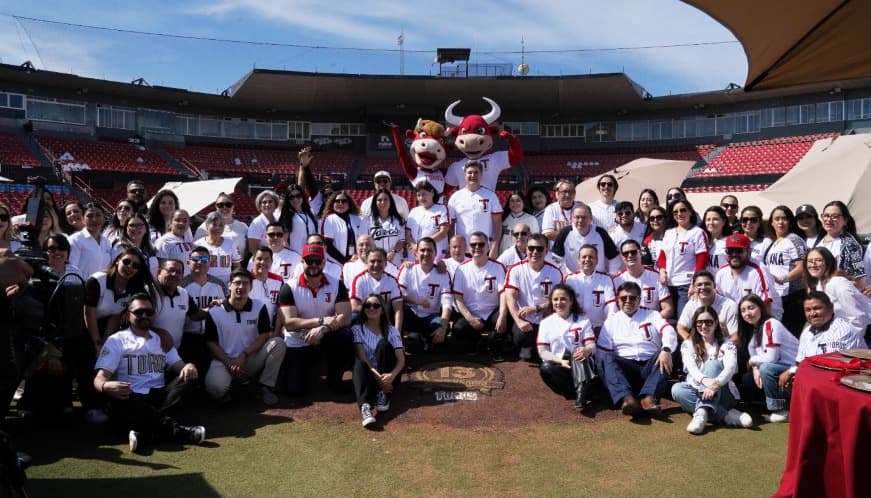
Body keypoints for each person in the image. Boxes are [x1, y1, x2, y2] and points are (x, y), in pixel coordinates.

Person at [93, 293, 205, 453]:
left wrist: (189, 367)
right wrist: (105, 386)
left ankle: (146, 434)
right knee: (120, 402)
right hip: (130, 396)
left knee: (190, 378)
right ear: (128, 315)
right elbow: (99, 379)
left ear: (155, 314)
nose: (144, 315)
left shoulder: (162, 339)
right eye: (138, 312)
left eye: (149, 312)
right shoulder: (116, 340)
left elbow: (180, 366)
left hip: (159, 396)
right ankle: (179, 432)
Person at [762, 291, 867, 423]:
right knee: (770, 371)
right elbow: (800, 361)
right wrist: (793, 372)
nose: (812, 313)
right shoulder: (807, 331)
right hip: (817, 376)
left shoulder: (842, 329)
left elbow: (831, 366)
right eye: (808, 310)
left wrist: (793, 372)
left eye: (817, 308)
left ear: (830, 308)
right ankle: (785, 410)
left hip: (844, 381)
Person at [84, 248, 158, 423]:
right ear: (117, 261)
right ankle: (90, 407)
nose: (130, 267)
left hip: (107, 325)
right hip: (85, 325)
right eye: (126, 262)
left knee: (106, 358)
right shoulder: (97, 280)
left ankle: (105, 405)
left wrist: (105, 343)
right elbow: (88, 313)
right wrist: (96, 343)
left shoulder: (133, 287)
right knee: (87, 360)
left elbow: (115, 316)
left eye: (136, 265)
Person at [278, 243, 353, 395]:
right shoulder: (289, 287)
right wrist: (320, 321)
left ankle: (334, 380)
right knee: (294, 391)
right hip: (299, 339)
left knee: (345, 336)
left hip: (326, 334)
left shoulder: (336, 284)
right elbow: (289, 323)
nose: (313, 265)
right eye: (309, 261)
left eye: (317, 261)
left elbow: (345, 318)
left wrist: (323, 328)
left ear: (324, 263)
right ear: (302, 262)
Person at [204, 269, 286, 405]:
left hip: (249, 358)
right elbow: (211, 342)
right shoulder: (215, 311)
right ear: (229, 285)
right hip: (224, 361)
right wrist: (228, 362)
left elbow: (264, 335)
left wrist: (243, 356)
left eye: (245, 283)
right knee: (215, 390)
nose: (241, 287)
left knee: (278, 343)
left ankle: (265, 386)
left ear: (251, 287)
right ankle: (230, 387)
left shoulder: (259, 306)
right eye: (237, 283)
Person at [597, 281, 677, 417]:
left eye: (632, 298)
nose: (628, 301)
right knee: (607, 357)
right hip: (626, 370)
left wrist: (666, 350)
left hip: (650, 366)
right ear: (618, 300)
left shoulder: (653, 315)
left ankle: (649, 399)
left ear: (639, 299)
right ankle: (628, 400)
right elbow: (602, 355)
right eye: (623, 298)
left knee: (664, 354)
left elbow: (668, 330)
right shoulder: (611, 321)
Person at [671, 306, 753, 434]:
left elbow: (730, 368)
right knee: (677, 389)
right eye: (699, 322)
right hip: (699, 389)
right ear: (695, 324)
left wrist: (715, 385)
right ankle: (725, 415)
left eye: (708, 322)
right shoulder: (688, 344)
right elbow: (691, 368)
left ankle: (701, 413)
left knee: (713, 364)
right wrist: (705, 381)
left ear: (716, 324)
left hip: (724, 393)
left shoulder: (727, 344)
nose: (704, 326)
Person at [536, 284, 596, 411]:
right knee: (545, 367)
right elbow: (542, 352)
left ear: (571, 301)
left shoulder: (583, 320)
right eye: (555, 299)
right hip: (560, 363)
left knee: (577, 353)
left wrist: (587, 350)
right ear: (551, 302)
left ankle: (581, 396)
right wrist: (560, 361)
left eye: (563, 299)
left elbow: (592, 345)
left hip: (581, 364)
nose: (559, 302)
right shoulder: (546, 323)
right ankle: (576, 392)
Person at [504, 233, 564, 361]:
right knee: (521, 337)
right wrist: (519, 321)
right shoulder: (515, 269)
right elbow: (510, 297)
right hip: (524, 317)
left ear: (546, 251)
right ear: (526, 249)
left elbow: (559, 300)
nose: (535, 252)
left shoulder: (555, 271)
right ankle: (526, 347)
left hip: (545, 315)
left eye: (540, 249)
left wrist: (536, 308)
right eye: (531, 248)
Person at [352, 294, 405, 428]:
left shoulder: (392, 330)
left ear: (382, 309)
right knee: (358, 363)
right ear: (363, 309)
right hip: (371, 375)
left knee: (383, 344)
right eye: (367, 305)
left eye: (376, 305)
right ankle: (365, 408)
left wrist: (391, 376)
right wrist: (378, 379)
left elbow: (401, 359)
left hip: (389, 376)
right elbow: (363, 358)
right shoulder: (357, 329)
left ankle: (384, 394)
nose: (371, 308)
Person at [452, 232, 508, 354]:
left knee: (506, 320)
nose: (477, 247)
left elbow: (504, 294)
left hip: (492, 312)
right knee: (458, 330)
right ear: (469, 247)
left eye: (481, 244)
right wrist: (470, 319)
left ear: (487, 247)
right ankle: (476, 341)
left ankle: (495, 342)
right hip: (472, 314)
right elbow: (458, 298)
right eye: (473, 245)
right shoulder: (461, 269)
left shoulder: (498, 267)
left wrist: (502, 316)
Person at [737, 294, 799, 403]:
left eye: (751, 308)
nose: (747, 313)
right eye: (743, 310)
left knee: (766, 369)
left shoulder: (771, 324)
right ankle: (765, 405)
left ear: (761, 308)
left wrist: (752, 361)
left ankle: (778, 408)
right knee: (748, 379)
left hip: (793, 367)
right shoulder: (754, 332)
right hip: (776, 368)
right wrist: (755, 369)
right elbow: (758, 360)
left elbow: (771, 358)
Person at [397, 237, 452, 350]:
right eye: (422, 250)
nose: (426, 253)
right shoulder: (408, 269)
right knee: (394, 308)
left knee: (441, 335)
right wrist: (417, 301)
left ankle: (424, 337)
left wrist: (443, 325)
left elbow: (447, 302)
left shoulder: (443, 274)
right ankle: (397, 342)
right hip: (411, 314)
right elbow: (398, 295)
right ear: (416, 253)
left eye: (429, 250)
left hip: (431, 316)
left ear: (435, 253)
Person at [181, 247, 228, 377]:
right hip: (188, 335)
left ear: (210, 262)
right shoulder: (181, 284)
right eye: (195, 259)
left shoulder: (219, 284)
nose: (200, 262)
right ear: (188, 262)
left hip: (215, 336)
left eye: (204, 259)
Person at [803, 247, 871, 336]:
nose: (813, 264)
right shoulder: (820, 284)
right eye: (810, 261)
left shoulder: (837, 283)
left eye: (818, 260)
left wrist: (851, 343)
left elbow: (858, 317)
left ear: (828, 263)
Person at [658, 198, 708, 319]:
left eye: (683, 210)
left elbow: (702, 259)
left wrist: (695, 283)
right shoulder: (668, 233)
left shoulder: (697, 233)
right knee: (668, 320)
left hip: (686, 284)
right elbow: (662, 256)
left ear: (690, 212)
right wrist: (662, 271)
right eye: (675, 212)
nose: (679, 214)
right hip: (667, 284)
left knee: (683, 320)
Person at [715, 233, 782, 320]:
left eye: (739, 250)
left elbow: (766, 304)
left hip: (766, 316)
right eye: (730, 251)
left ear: (749, 252)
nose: (734, 254)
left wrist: (762, 329)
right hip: (739, 317)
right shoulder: (721, 273)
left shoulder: (758, 270)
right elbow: (718, 301)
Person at [764, 206, 808, 335]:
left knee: (790, 335)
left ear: (790, 221)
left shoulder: (794, 239)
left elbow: (802, 266)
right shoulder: (774, 243)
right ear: (771, 222)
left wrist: (782, 279)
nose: (780, 222)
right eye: (777, 219)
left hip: (793, 296)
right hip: (778, 296)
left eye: (784, 219)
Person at [447, 161, 503, 259]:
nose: (473, 175)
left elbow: (497, 224)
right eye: (470, 172)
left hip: (485, 249)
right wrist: (453, 246)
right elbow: (450, 227)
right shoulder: (455, 197)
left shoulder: (491, 196)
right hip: (462, 251)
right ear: (464, 175)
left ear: (481, 175)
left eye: (476, 172)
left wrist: (495, 246)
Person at [563, 245, 617, 336]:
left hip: (599, 328)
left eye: (591, 257)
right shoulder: (569, 280)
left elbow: (611, 306)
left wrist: (609, 326)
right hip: (575, 327)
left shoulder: (605, 279)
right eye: (584, 257)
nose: (587, 259)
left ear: (597, 261)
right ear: (578, 260)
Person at [551, 204, 620, 275]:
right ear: (572, 218)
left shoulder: (600, 232)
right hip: (574, 280)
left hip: (599, 278)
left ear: (591, 218)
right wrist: (565, 275)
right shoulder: (565, 233)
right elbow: (556, 258)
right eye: (577, 217)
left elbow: (614, 257)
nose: (580, 220)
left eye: (584, 217)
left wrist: (612, 275)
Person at [612, 240, 673, 319]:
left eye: (633, 252)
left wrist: (650, 321)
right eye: (626, 253)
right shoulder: (616, 281)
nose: (629, 255)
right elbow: (615, 311)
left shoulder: (656, 276)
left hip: (652, 323)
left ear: (640, 253)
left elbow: (668, 309)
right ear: (622, 257)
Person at [815, 200, 866, 286]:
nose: (829, 220)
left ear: (845, 220)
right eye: (826, 216)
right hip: (819, 294)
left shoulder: (851, 245)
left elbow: (859, 281)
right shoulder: (819, 241)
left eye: (835, 216)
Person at [677, 271, 740, 340]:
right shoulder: (692, 303)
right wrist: (692, 345)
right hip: (699, 347)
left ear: (714, 286)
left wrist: (721, 349)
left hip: (723, 346)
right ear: (694, 288)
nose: (703, 287)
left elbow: (735, 336)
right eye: (699, 285)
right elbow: (680, 328)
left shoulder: (729, 305)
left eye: (707, 284)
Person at [350, 248, 403, 327]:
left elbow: (398, 309)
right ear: (367, 263)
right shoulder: (359, 279)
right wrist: (375, 312)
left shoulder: (392, 280)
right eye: (372, 261)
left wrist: (397, 334)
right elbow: (354, 306)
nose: (376, 264)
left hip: (385, 316)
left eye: (379, 261)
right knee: (353, 317)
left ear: (385, 263)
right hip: (366, 315)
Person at [405, 181, 452, 262]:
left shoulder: (442, 209)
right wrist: (413, 245)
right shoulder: (413, 211)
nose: (421, 198)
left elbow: (443, 231)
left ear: (432, 192)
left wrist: (422, 245)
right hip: (415, 254)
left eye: (424, 194)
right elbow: (408, 234)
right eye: (419, 195)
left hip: (436, 255)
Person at [194, 192, 249, 260]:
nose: (224, 207)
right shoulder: (205, 227)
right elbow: (196, 249)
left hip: (239, 265)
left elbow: (248, 249)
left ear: (233, 206)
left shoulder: (243, 227)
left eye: (228, 205)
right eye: (220, 205)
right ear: (216, 207)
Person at [360, 188, 406, 267]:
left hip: (395, 260)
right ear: (375, 202)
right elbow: (363, 242)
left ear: (390, 201)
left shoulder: (398, 220)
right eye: (379, 200)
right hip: (374, 262)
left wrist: (393, 252)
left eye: (386, 199)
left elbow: (402, 241)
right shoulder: (367, 220)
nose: (383, 202)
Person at [195, 211, 242, 284]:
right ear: (207, 226)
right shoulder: (198, 245)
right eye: (214, 224)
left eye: (221, 225)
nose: (217, 228)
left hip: (226, 286)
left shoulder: (230, 243)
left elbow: (237, 266)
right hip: (205, 285)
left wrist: (234, 281)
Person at [68, 203, 112, 279]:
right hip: (81, 288)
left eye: (98, 215)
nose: (94, 219)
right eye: (90, 216)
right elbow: (71, 270)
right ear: (83, 219)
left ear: (104, 218)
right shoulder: (75, 240)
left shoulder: (107, 242)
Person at [321, 191, 363, 265]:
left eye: (344, 201)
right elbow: (328, 246)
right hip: (335, 263)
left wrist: (357, 257)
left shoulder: (358, 219)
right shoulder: (329, 219)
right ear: (332, 204)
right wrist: (345, 261)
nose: (340, 203)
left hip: (356, 261)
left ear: (349, 204)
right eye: (337, 201)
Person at [275, 184, 318, 255]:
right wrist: (292, 256)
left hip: (311, 255)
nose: (295, 199)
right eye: (291, 197)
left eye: (298, 196)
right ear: (288, 200)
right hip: (296, 257)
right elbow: (283, 240)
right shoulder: (286, 214)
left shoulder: (310, 212)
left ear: (303, 196)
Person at [247, 246, 284, 326]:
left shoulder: (278, 280)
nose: (263, 262)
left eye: (266, 259)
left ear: (271, 262)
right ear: (253, 261)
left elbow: (281, 309)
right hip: (248, 329)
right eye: (259, 259)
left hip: (271, 329)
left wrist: (276, 332)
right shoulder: (245, 280)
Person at [116, 213, 159, 278]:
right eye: (131, 225)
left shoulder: (150, 249)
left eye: (139, 225)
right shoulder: (120, 247)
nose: (135, 228)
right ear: (126, 229)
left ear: (146, 229)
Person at [154, 210, 195, 276]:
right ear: (170, 223)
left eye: (185, 220)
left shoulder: (188, 239)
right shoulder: (164, 241)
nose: (181, 223)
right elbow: (161, 266)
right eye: (177, 220)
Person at [607, 201, 645, 267]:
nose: (624, 215)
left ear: (634, 214)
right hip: (622, 274)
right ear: (616, 217)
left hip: (644, 271)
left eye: (627, 213)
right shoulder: (612, 236)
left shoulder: (644, 229)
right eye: (620, 214)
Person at [246, 190, 280, 255]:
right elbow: (253, 249)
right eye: (264, 202)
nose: (267, 204)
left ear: (275, 204)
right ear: (260, 206)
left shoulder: (278, 220)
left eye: (270, 202)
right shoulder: (256, 223)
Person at [702, 205, 732, 276]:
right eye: (708, 219)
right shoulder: (701, 241)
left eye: (715, 219)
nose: (711, 223)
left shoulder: (729, 242)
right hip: (705, 285)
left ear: (724, 221)